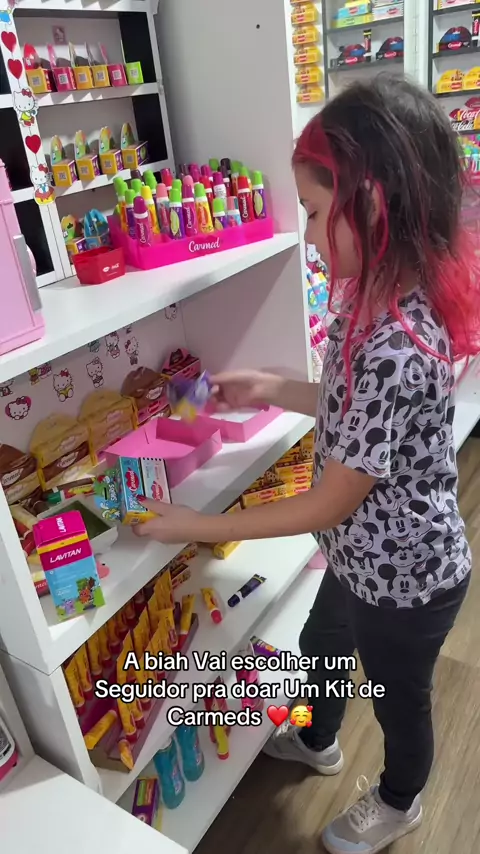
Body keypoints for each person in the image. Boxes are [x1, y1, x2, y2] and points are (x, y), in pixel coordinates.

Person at [133, 76, 480, 854]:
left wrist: (197, 526)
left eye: (317, 212)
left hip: (407, 579)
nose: (311, 234)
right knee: (322, 648)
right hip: (357, 557)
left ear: (373, 204)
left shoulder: (401, 339)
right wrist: (272, 388)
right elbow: (351, 406)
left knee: (398, 698)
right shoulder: (368, 297)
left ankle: (399, 801)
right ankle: (319, 738)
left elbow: (329, 499)